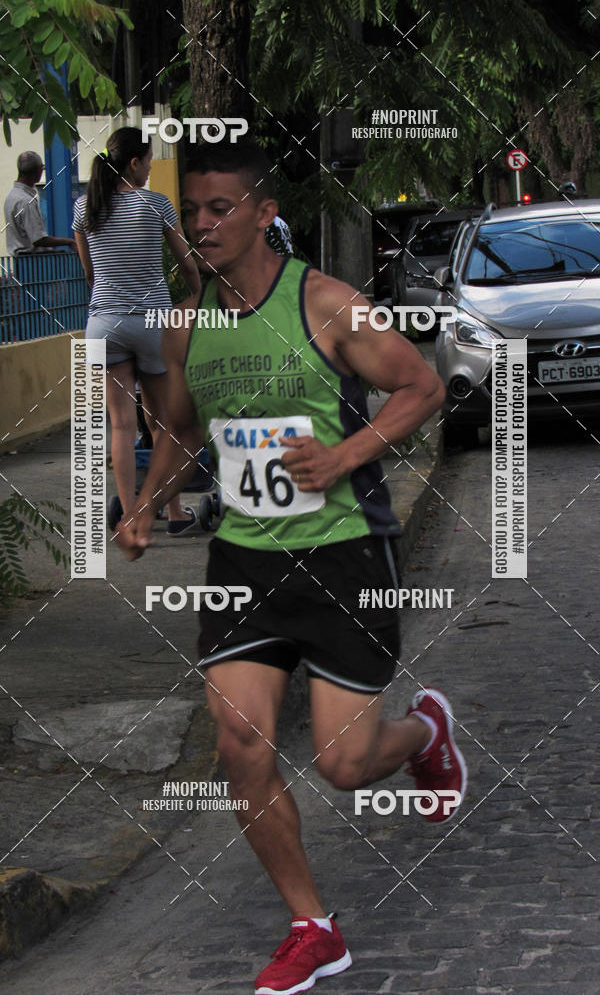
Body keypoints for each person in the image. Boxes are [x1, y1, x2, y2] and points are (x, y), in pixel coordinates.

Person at [116, 142, 468, 994]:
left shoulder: (325, 303)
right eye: (192, 211)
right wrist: (143, 503)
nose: (201, 224)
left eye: (218, 209)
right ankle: (313, 925)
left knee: (346, 763)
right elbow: (184, 429)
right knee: (240, 743)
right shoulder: (185, 320)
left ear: (262, 211)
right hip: (243, 558)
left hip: (344, 553)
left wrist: (344, 453)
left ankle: (427, 732)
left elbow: (422, 386)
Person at [73, 126, 201, 534]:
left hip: (103, 324)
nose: (149, 168)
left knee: (122, 425)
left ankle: (129, 517)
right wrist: (198, 295)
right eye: (147, 161)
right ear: (134, 163)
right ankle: (176, 513)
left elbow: (91, 273)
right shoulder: (156, 204)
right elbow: (186, 261)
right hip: (151, 324)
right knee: (166, 423)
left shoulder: (84, 208)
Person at [4, 152, 77, 256]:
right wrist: (69, 242)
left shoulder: (12, 196)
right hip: (31, 263)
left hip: (20, 261)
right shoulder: (25, 201)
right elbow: (38, 239)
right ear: (37, 172)